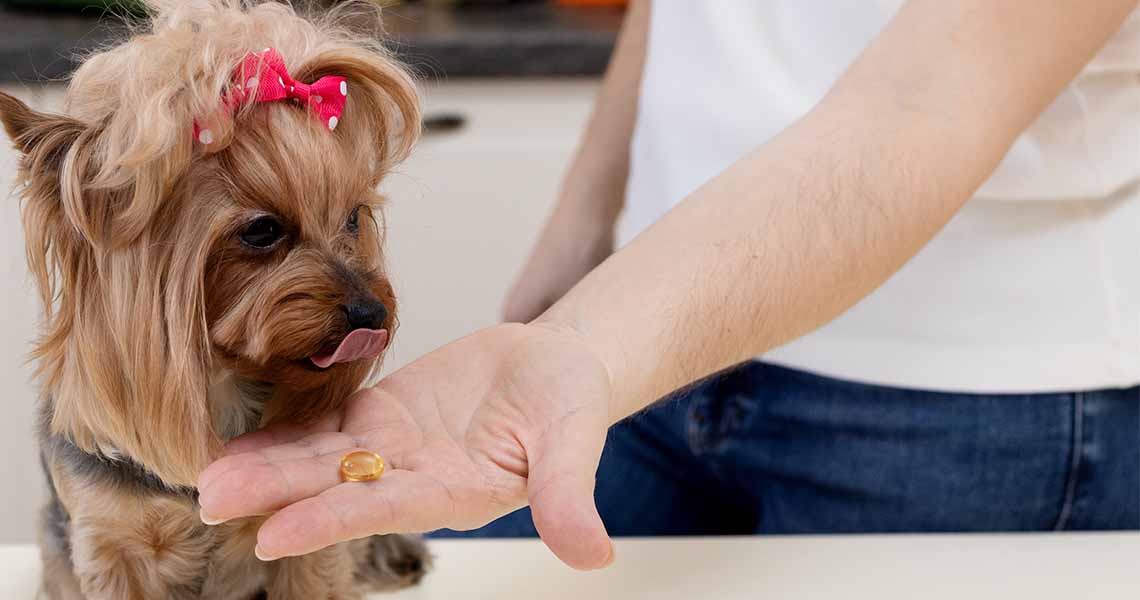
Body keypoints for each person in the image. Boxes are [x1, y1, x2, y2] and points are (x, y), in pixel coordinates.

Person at [197, 0, 1140, 571]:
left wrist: (582, 344)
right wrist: (579, 238)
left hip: (965, 406)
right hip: (655, 350)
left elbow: (918, 109)